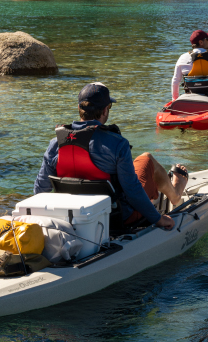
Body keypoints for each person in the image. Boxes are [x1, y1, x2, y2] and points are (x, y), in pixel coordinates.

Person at [35, 82, 188, 231]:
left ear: (79, 108)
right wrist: (158, 219)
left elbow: (40, 191)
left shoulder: (55, 144)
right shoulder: (118, 144)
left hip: (71, 217)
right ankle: (175, 196)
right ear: (105, 111)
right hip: (117, 219)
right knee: (146, 159)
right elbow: (132, 191)